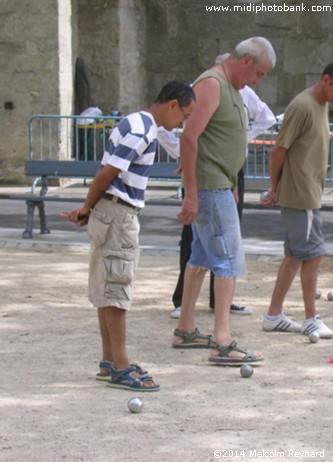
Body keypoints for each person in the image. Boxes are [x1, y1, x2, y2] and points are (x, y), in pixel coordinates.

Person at [61, 81, 196, 391]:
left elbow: (109, 173)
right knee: (117, 289)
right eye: (185, 115)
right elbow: (108, 172)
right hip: (119, 214)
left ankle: (110, 361)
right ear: (173, 104)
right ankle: (120, 364)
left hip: (109, 211)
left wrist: (89, 209)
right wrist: (86, 206)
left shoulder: (132, 121)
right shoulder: (143, 130)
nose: (182, 123)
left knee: (106, 287)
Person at [171, 37, 275, 365]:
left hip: (220, 184)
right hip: (209, 187)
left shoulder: (229, 86)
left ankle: (186, 328)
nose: (257, 81)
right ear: (245, 62)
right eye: (259, 74)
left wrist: (231, 181)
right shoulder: (212, 83)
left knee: (200, 259)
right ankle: (223, 341)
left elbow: (215, 141)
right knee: (228, 262)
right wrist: (190, 193)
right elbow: (189, 137)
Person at [260, 61, 333, 339]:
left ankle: (273, 315)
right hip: (301, 194)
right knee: (314, 253)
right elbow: (278, 150)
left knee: (294, 256)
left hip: (307, 192)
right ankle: (311, 318)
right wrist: (274, 187)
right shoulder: (302, 106)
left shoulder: (322, 104)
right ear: (325, 80)